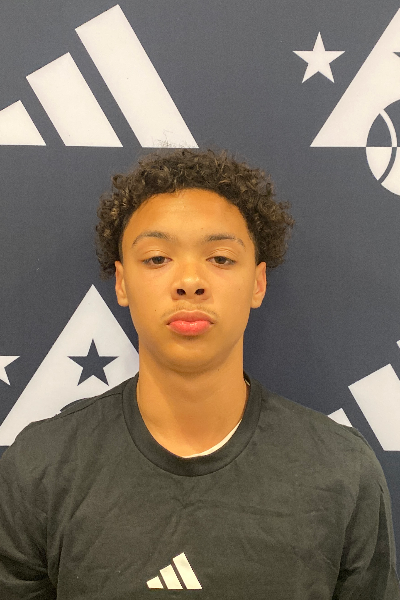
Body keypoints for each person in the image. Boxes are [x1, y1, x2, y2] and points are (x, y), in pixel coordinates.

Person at [0, 148, 399, 599]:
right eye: (157, 258)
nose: (190, 281)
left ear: (258, 284)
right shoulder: (42, 468)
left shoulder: (342, 471)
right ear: (122, 283)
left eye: (221, 258)